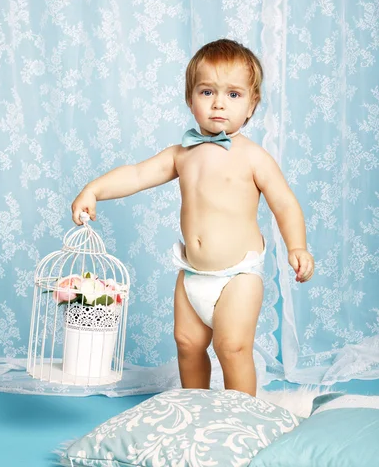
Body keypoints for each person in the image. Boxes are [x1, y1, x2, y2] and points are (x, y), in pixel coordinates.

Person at [71, 39, 314, 396]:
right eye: (207, 91)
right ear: (190, 99)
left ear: (251, 105)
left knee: (231, 347)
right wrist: (92, 190)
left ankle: (241, 419)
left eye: (233, 94)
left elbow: (285, 203)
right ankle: (195, 409)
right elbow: (136, 175)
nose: (219, 103)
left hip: (238, 274)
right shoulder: (181, 153)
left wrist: (298, 246)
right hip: (192, 272)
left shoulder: (253, 157)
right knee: (187, 343)